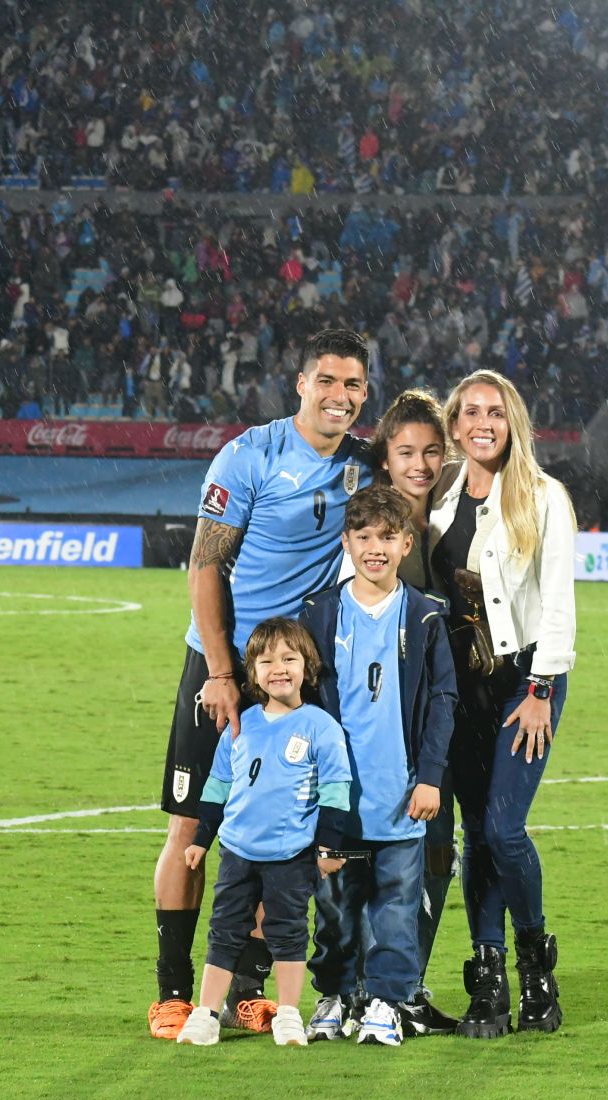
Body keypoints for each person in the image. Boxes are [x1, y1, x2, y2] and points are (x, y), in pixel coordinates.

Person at [150, 328, 373, 1039]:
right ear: (301, 383)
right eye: (328, 382)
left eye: (354, 386)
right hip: (222, 666)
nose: (340, 397)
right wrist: (219, 672)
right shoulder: (250, 454)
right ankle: (173, 990)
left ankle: (246, 985)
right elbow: (205, 565)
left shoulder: (363, 467)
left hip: (289, 670)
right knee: (193, 825)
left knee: (277, 826)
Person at [426, 369, 577, 1037]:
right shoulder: (434, 497)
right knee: (472, 836)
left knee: (503, 829)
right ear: (454, 424)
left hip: (524, 684)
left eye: (496, 411)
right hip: (459, 690)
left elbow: (561, 604)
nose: (483, 422)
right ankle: (487, 982)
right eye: (471, 412)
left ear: (511, 422)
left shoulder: (544, 498)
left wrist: (542, 690)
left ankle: (536, 969)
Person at [298, 485, 457, 1045]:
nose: (375, 549)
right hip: (335, 799)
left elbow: (443, 701)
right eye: (363, 537)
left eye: (387, 538)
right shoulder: (318, 613)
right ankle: (336, 996)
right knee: (336, 908)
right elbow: (304, 704)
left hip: (401, 794)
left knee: (396, 909)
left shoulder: (426, 616)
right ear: (346, 542)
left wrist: (431, 776)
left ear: (406, 543)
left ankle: (387, 1003)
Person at [175, 617, 354, 1049]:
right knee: (224, 931)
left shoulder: (320, 727)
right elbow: (218, 786)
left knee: (288, 931)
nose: (279, 668)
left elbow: (336, 791)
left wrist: (330, 845)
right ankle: (207, 1013)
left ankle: (289, 1014)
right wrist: (202, 839)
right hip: (238, 851)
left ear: (306, 668)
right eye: (266, 660)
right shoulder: (243, 725)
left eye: (289, 659)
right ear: (252, 671)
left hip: (291, 853)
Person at [368, 390, 460, 1032]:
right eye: (406, 452)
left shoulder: (458, 520)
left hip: (445, 712)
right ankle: (367, 989)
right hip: (381, 718)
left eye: (432, 451)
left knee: (436, 849)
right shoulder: (375, 524)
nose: (421, 464)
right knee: (377, 852)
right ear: (386, 456)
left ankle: (406, 987)